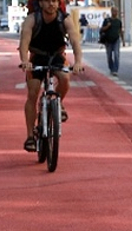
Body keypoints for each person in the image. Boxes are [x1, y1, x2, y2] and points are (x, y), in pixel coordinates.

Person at [18, 0, 84, 152]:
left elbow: (75, 41)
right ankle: (30, 136)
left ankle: (59, 103)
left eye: (54, 1)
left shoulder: (64, 19)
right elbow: (24, 42)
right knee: (33, 92)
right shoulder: (32, 19)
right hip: (37, 56)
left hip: (57, 55)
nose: (51, 4)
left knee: (65, 78)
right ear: (40, 3)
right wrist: (25, 61)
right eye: (47, 1)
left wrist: (78, 62)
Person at [100, 7, 123, 76]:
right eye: (114, 11)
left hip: (116, 40)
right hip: (108, 40)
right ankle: (111, 68)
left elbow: (120, 30)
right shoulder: (107, 20)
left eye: (116, 11)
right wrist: (107, 26)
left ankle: (115, 70)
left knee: (116, 54)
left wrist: (123, 40)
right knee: (109, 55)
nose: (115, 13)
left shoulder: (118, 21)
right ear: (111, 12)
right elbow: (102, 29)